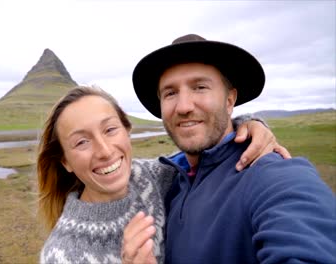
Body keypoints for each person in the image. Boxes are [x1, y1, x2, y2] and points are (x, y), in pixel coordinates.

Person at [123, 34, 336, 263]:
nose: (183, 106)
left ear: (229, 100)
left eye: (200, 87)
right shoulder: (169, 182)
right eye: (170, 93)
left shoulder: (275, 176)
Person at [37, 86, 288, 263]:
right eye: (81, 142)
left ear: (127, 130)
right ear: (65, 161)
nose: (104, 151)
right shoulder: (61, 255)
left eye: (110, 130)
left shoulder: (156, 177)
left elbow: (204, 153)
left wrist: (248, 128)